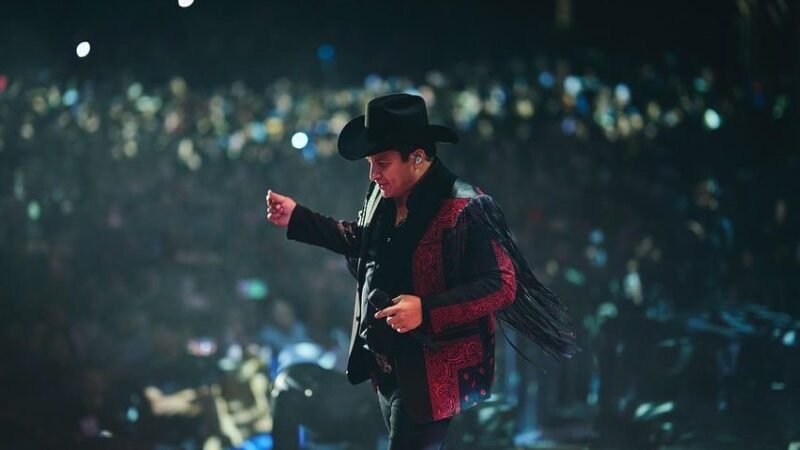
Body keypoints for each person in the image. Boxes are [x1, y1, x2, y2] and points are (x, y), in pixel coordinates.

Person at [266, 93, 578, 449]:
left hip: (434, 375)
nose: (373, 174)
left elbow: (501, 285)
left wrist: (426, 310)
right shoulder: (382, 194)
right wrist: (299, 218)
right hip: (386, 367)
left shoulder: (466, 206)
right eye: (370, 163)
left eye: (381, 163)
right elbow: (362, 240)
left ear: (416, 157)